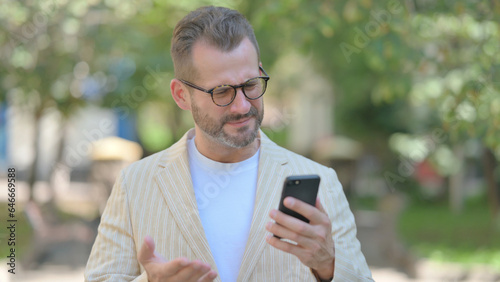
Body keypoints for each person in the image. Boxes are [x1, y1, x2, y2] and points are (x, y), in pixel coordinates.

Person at [85, 6, 372, 282]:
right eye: (222, 91)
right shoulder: (135, 184)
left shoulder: (324, 183)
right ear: (181, 95)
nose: (242, 106)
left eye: (250, 85)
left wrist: (329, 265)